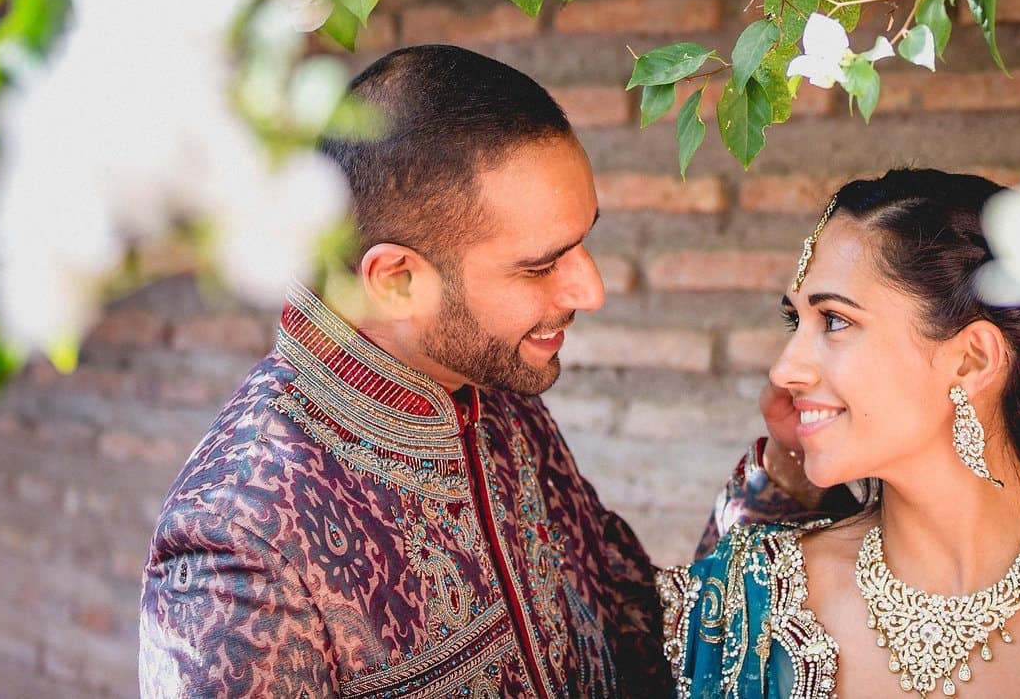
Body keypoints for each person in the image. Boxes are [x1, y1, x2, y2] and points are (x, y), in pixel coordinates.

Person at [139, 44, 670, 697]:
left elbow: (632, 618)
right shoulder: (241, 540)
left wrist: (775, 488)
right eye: (541, 264)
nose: (590, 289)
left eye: (584, 239)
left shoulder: (488, 387)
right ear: (395, 280)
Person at [661, 168, 1020, 698]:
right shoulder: (749, 598)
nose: (785, 368)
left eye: (835, 320)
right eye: (797, 321)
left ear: (971, 361)